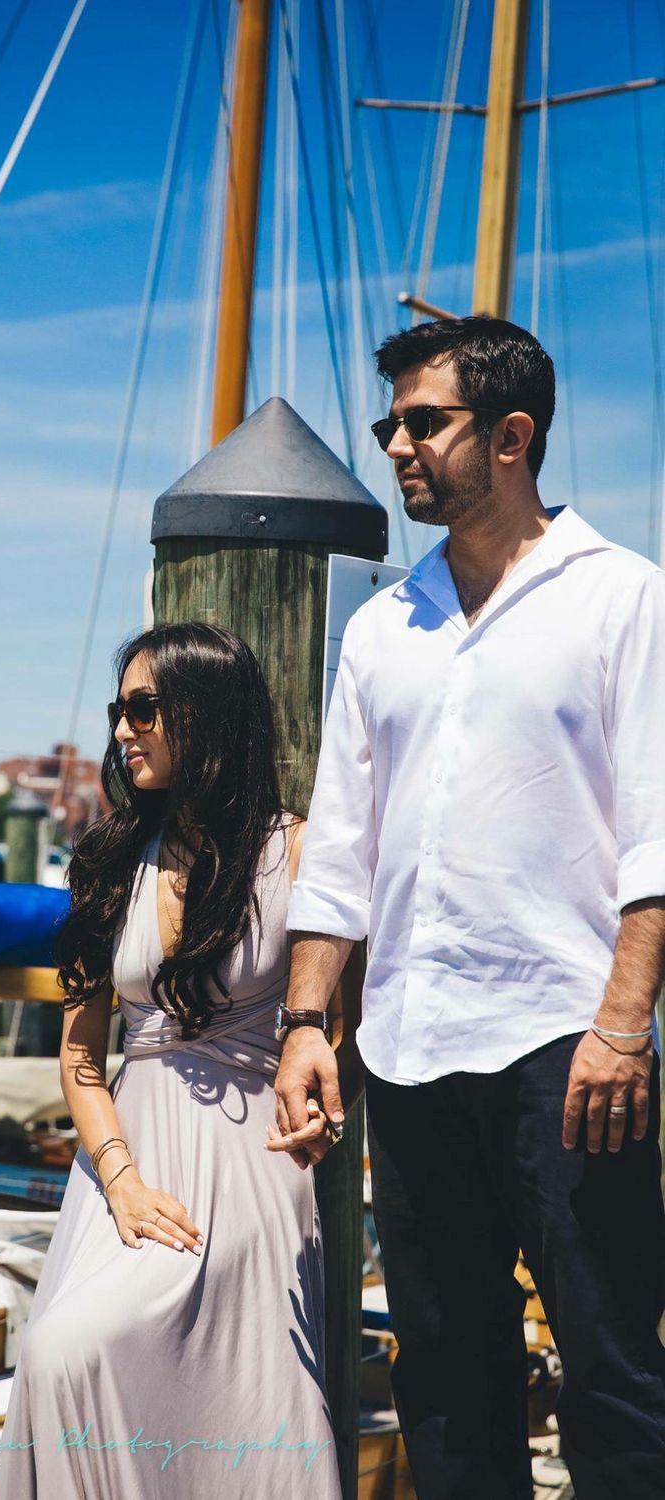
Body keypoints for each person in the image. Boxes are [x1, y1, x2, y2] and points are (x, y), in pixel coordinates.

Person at [269, 316, 665, 1499]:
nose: (394, 444)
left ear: (509, 436)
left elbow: (657, 836)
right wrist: (304, 1025)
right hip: (404, 1040)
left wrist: (624, 1024)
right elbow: (338, 847)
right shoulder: (381, 627)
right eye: (388, 423)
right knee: (442, 1367)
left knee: (611, 1367)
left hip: (567, 1042)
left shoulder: (623, 598)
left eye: (421, 422)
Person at [0, 622, 349, 1500]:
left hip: (251, 1170)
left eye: (144, 709)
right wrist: (122, 1183)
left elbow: (340, 1030)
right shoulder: (110, 861)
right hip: (128, 1163)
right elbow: (80, 1057)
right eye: (119, 710)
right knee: (62, 1349)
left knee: (236, 1412)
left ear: (207, 715)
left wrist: (325, 1105)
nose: (122, 730)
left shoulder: (297, 851)